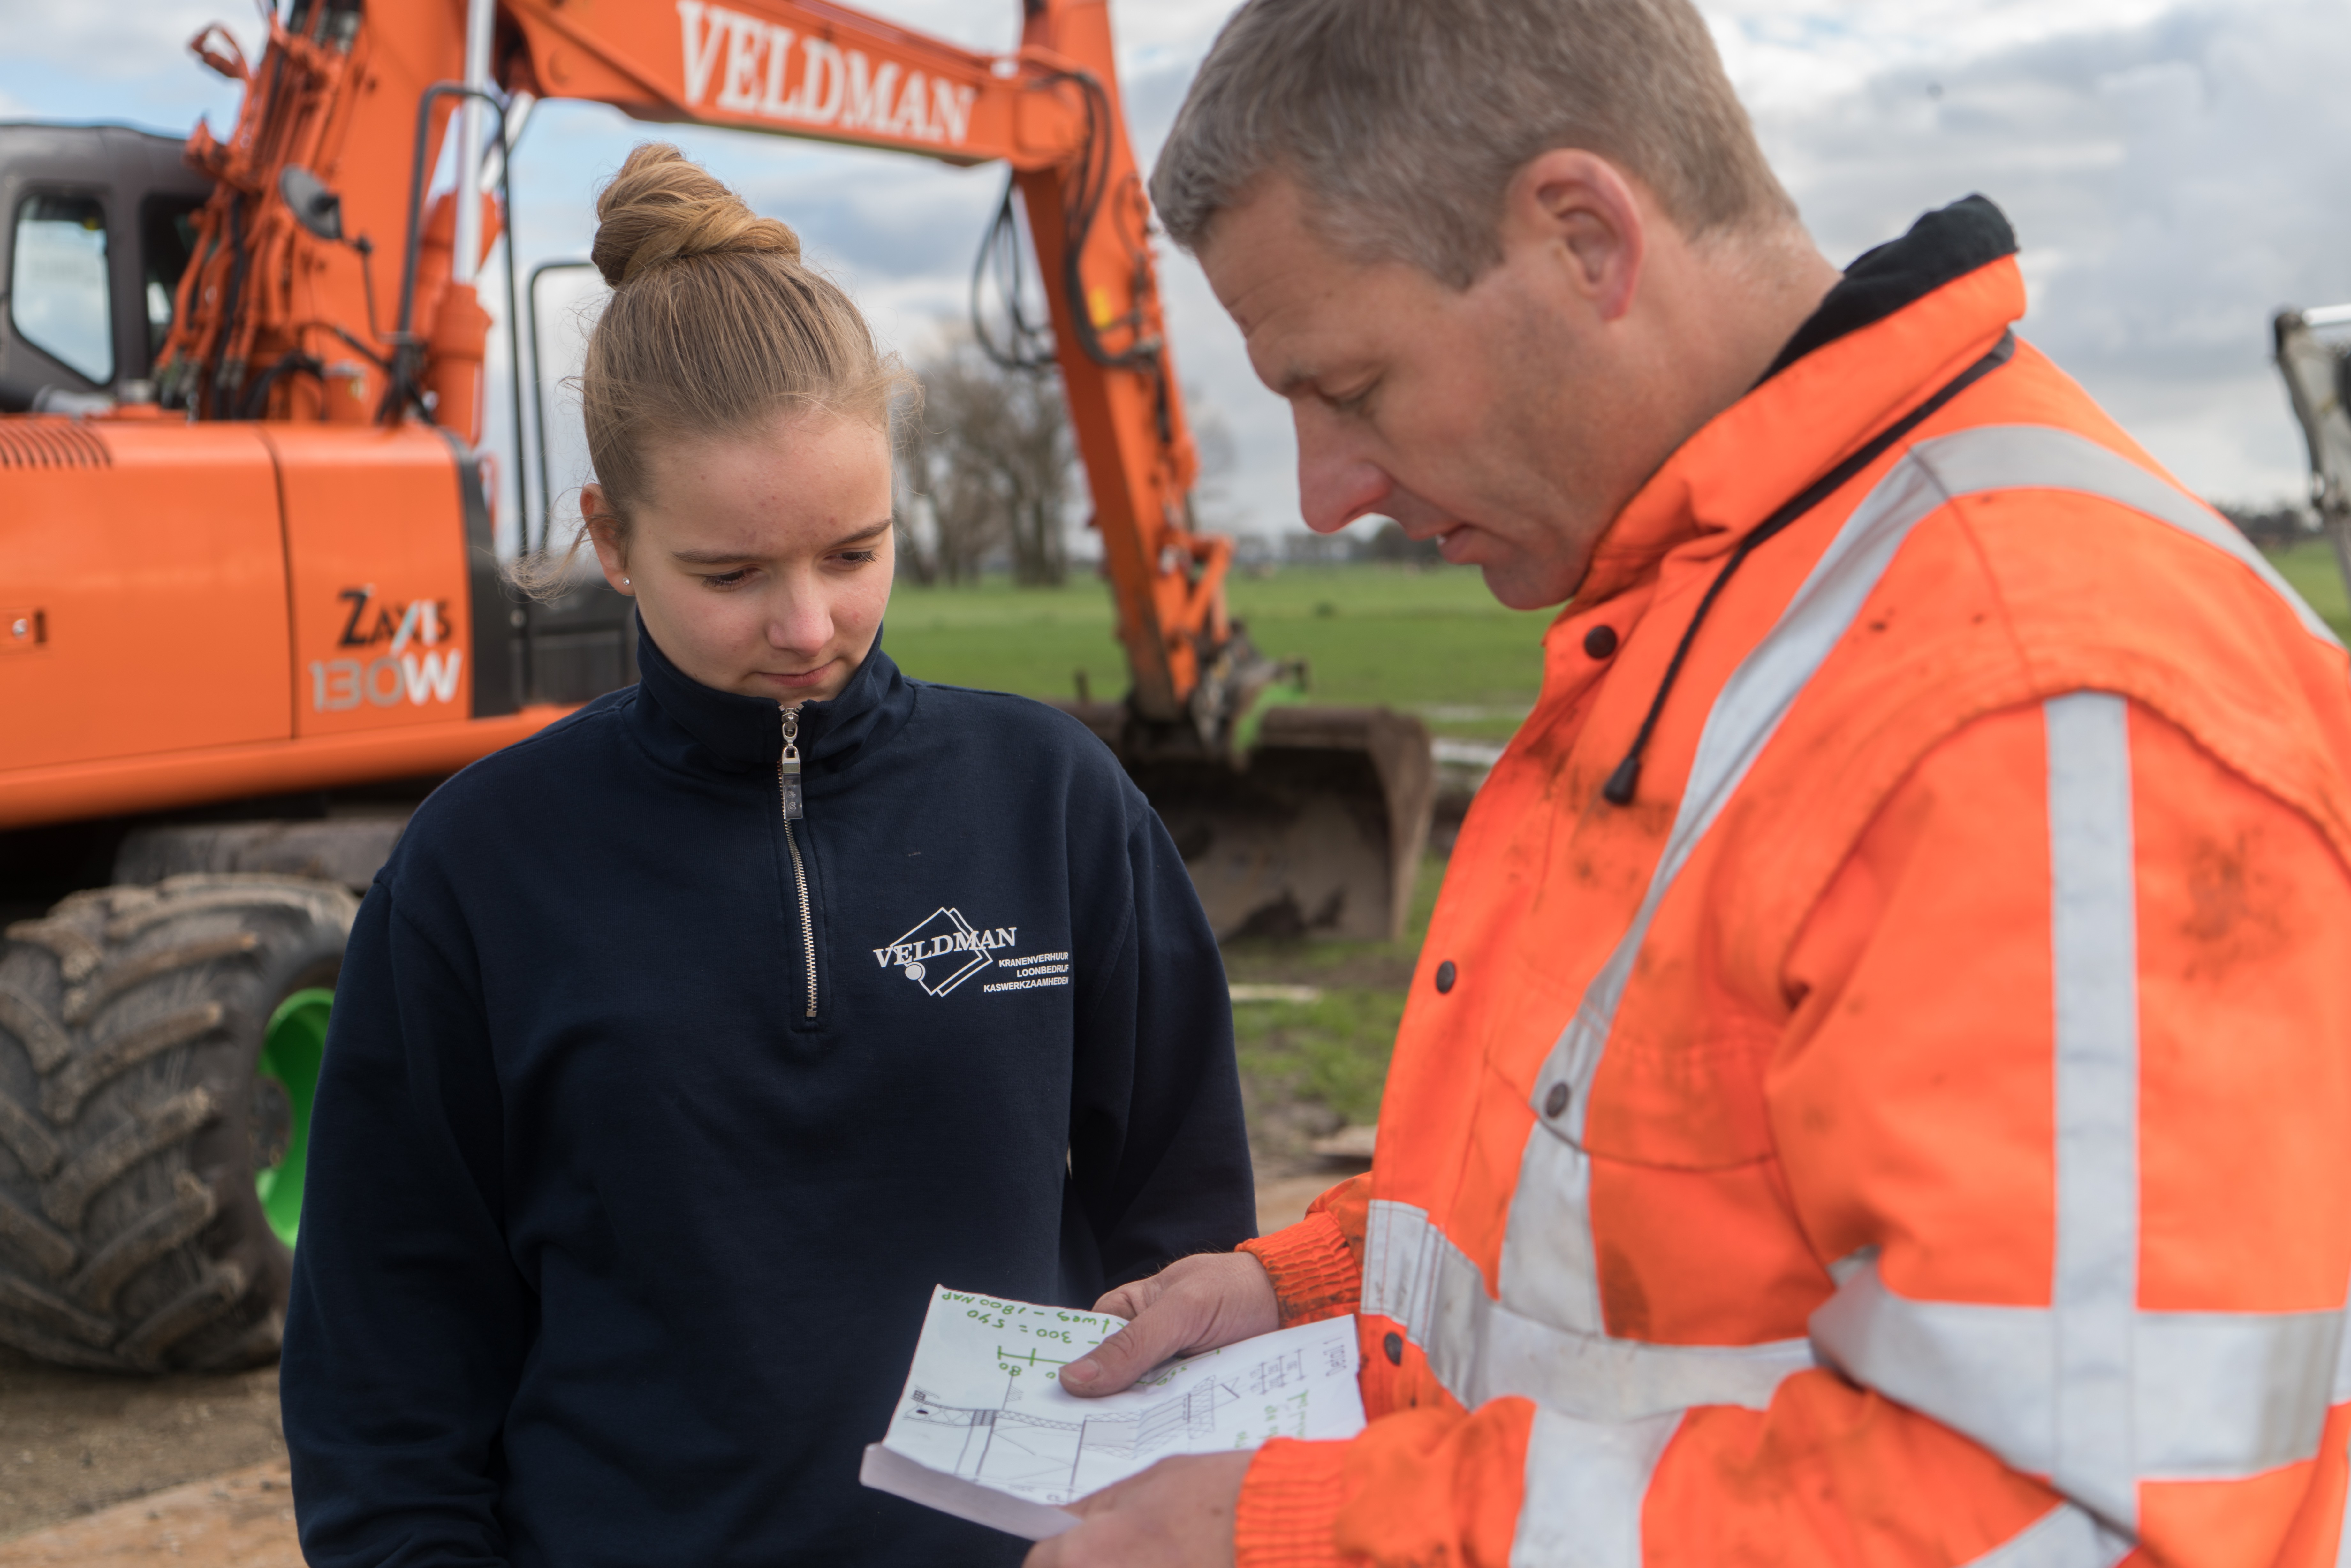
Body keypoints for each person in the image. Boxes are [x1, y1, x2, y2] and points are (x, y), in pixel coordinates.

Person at [1028, 2, 2351, 1565]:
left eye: (1354, 387)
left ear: (1583, 239)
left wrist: (1310, 1535)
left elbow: (2058, 1517)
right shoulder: (1730, 595)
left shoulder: (2028, 696)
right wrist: (1311, 1287)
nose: (1326, 493)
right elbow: (1646, 1195)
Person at [279, 144, 1255, 1568]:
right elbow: (386, 1375)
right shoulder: (476, 873)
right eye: (731, 574)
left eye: (853, 553)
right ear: (612, 538)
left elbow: (1181, 1248)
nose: (807, 626)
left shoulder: (1053, 803)